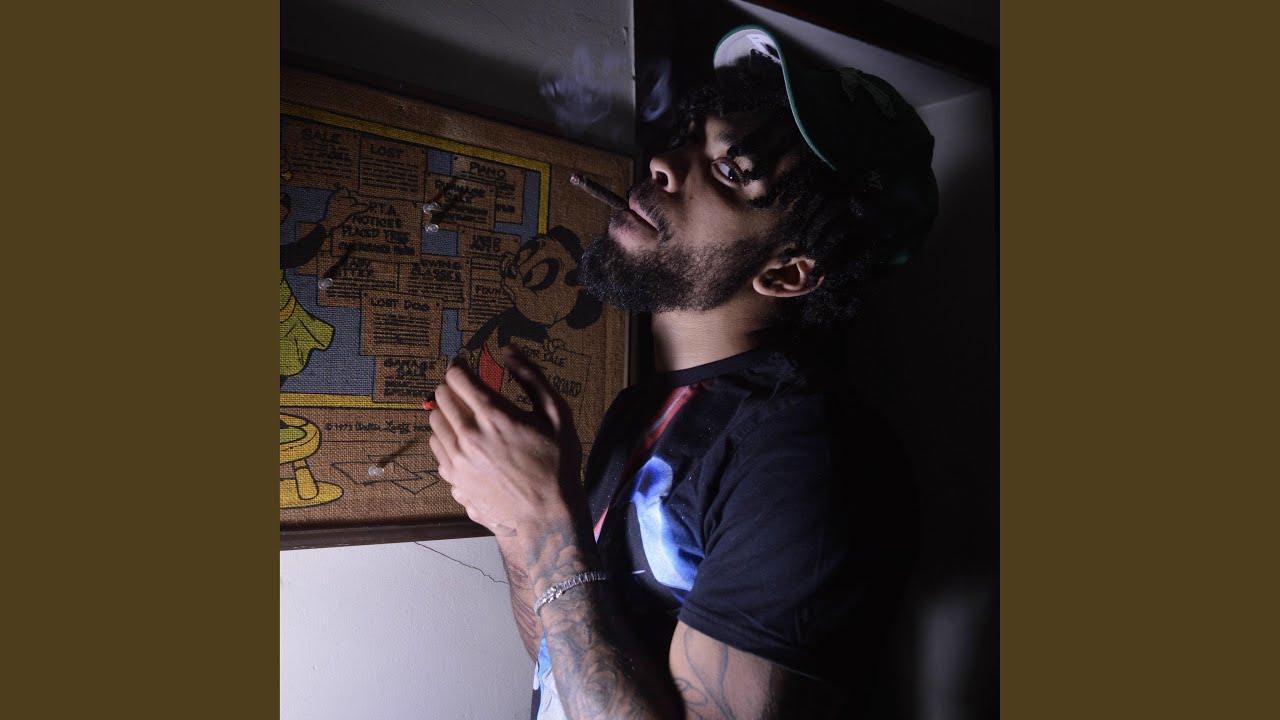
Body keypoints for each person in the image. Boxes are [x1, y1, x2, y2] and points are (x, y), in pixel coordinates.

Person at [427, 24, 938, 719]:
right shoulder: (638, 410)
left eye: (731, 171)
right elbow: (563, 657)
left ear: (787, 271)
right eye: (691, 139)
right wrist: (521, 526)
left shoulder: (815, 453)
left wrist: (542, 523)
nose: (664, 163)